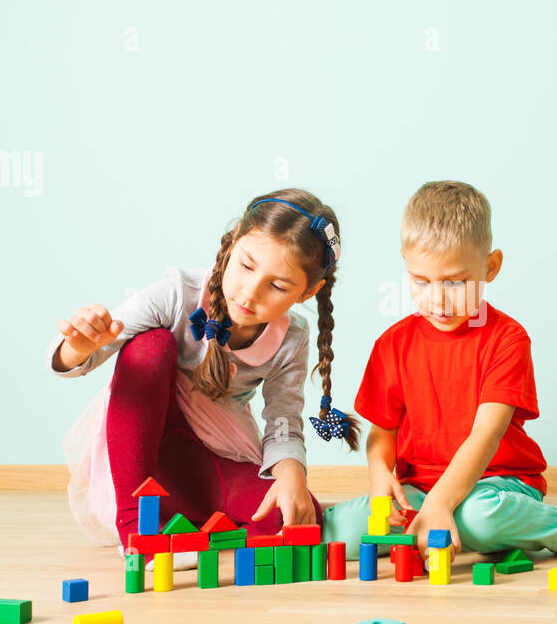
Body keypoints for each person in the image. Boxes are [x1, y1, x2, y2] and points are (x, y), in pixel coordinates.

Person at [47, 189, 359, 567]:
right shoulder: (178, 294)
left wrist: (292, 474)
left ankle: (191, 522)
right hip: (141, 453)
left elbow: (283, 421)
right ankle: (137, 529)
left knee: (294, 509)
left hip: (211, 455)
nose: (250, 292)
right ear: (234, 242)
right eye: (246, 266)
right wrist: (78, 345)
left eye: (277, 286)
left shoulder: (290, 338)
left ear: (309, 291)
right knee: (150, 347)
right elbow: (94, 350)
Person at [321, 180, 557, 564]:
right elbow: (383, 431)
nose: (437, 299)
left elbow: (486, 434)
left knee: (478, 518)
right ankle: (433, 520)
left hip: (495, 485)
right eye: (421, 281)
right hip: (420, 490)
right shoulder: (392, 344)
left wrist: (443, 504)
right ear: (406, 264)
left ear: (491, 266)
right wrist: (380, 476)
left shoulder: (507, 339)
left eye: (456, 282)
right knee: (338, 533)